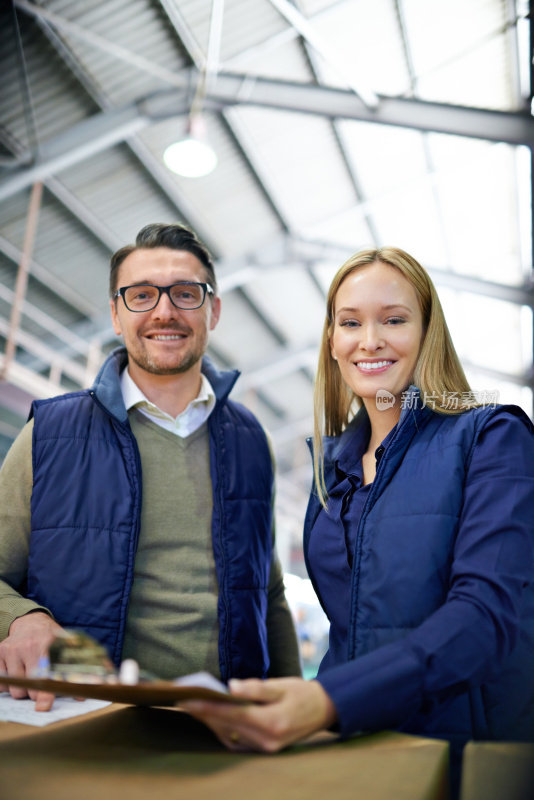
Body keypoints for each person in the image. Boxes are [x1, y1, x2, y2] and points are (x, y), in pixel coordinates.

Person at [179, 246, 534, 792]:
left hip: (463, 757)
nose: (370, 340)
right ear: (332, 341)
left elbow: (485, 617)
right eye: (351, 322)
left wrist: (328, 700)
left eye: (393, 319)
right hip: (354, 747)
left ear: (427, 331)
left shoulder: (491, 438)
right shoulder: (331, 471)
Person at [0, 222, 300, 710]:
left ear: (214, 310)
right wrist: (21, 618)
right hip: (88, 718)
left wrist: (295, 705)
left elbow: (269, 593)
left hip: (225, 727)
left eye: (185, 293)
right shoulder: (51, 433)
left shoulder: (250, 439)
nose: (164, 311)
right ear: (117, 314)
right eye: (141, 295)